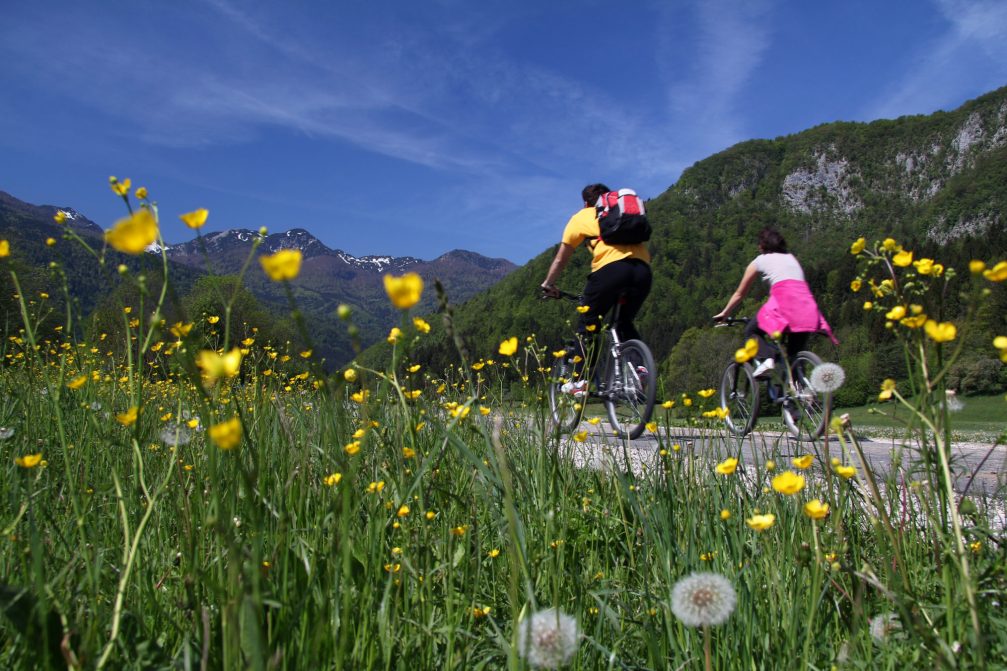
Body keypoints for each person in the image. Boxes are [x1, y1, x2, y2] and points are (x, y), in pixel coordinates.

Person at [540, 183, 652, 396]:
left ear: (586, 202)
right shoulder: (621, 216)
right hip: (643, 271)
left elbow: (561, 259)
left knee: (587, 325)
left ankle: (580, 381)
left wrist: (548, 284)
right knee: (623, 323)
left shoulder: (581, 217)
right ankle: (640, 369)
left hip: (610, 270)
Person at [713, 227, 837, 377]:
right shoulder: (792, 258)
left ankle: (767, 358)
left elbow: (740, 293)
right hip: (808, 307)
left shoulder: (760, 260)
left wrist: (725, 313)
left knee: (751, 331)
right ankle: (803, 394)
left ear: (762, 246)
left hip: (784, 303)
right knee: (793, 358)